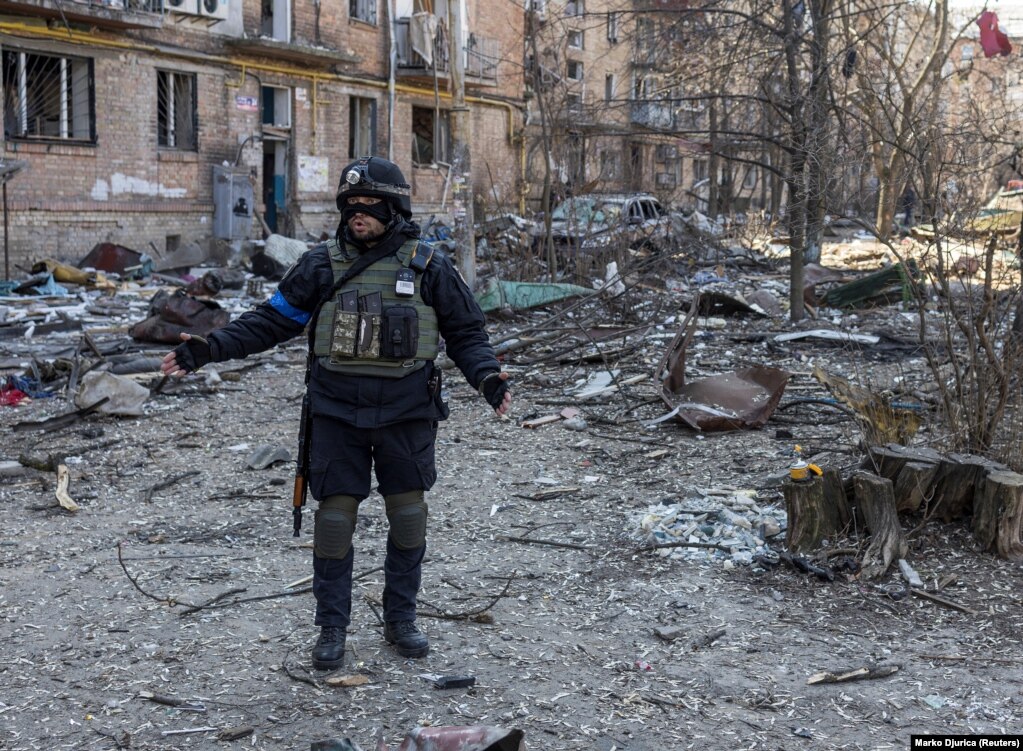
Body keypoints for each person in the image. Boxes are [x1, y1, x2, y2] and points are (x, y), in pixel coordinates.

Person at [161, 156, 511, 670]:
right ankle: (331, 628)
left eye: (370, 205)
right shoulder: (319, 265)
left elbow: (465, 335)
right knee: (333, 521)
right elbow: (269, 323)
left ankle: (401, 620)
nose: (358, 214)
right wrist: (207, 350)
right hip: (335, 413)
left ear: (394, 209)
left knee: (409, 517)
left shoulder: (431, 265)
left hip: (407, 412)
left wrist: (488, 379)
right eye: (351, 205)